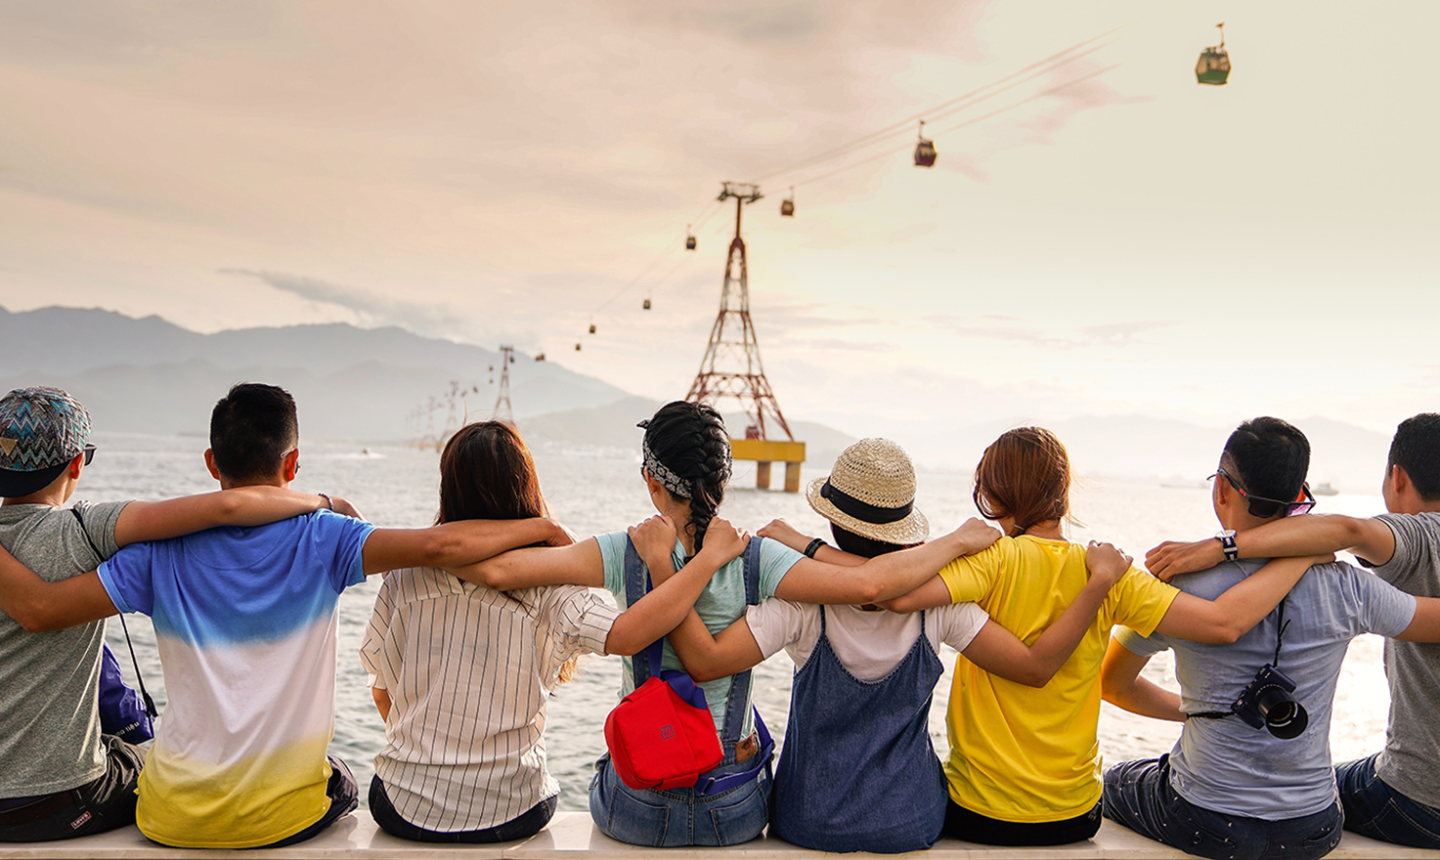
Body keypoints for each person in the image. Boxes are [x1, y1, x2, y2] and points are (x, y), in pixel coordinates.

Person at [0, 383, 575, 849]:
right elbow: (439, 548)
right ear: (293, 462)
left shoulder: (152, 554)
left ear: (210, 462)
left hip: (169, 818)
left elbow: (45, 609)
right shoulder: (327, 540)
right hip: (284, 820)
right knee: (341, 778)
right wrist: (543, 529)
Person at [449, 401, 1002, 848]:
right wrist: (955, 541)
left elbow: (496, 570)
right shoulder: (759, 558)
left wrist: (541, 526)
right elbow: (870, 586)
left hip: (639, 806)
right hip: (732, 807)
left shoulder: (625, 550)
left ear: (651, 480)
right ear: (725, 479)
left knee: (607, 762)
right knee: (752, 732)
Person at [654, 437, 1134, 854]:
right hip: (912, 820)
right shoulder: (942, 605)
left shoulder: (802, 605)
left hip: (808, 819)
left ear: (834, 523)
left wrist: (664, 574)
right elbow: (1032, 667)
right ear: (902, 528)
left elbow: (705, 661)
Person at [876, 426, 1325, 846]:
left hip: (979, 812)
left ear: (991, 495)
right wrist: (1300, 554)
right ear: (1064, 492)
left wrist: (953, 543)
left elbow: (891, 592)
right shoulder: (1112, 574)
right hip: (1076, 816)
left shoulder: (990, 561)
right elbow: (1221, 623)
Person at [359, 421, 752, 843]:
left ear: (448, 488)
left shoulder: (405, 578)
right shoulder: (551, 587)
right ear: (525, 487)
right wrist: (706, 560)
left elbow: (383, 691)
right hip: (512, 808)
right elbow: (626, 634)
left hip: (403, 805)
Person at [0, 386, 335, 842]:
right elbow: (229, 507)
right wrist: (323, 503)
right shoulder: (86, 530)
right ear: (77, 463)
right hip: (53, 805)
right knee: (148, 760)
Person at [1144, 412, 1440, 850]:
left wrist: (1222, 547)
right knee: (1316, 794)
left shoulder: (1419, 535)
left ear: (1396, 477)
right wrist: (1312, 553)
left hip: (1418, 804)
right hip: (1327, 824)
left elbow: (1348, 530)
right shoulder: (1352, 590)